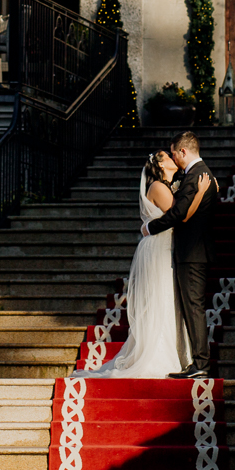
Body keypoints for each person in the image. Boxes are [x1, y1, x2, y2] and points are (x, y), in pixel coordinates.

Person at [87, 151, 190, 378]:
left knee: (166, 299)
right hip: (159, 249)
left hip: (164, 247)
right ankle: (158, 356)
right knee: (160, 299)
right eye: (167, 156)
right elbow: (180, 214)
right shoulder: (158, 188)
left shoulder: (165, 186)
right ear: (161, 165)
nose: (173, 157)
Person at [144, 130, 218, 379]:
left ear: (183, 151)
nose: (174, 158)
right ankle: (197, 362)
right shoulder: (201, 174)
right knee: (191, 307)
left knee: (193, 308)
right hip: (195, 251)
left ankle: (201, 364)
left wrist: (150, 227)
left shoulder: (196, 176)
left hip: (192, 253)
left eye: (174, 153)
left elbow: (179, 215)